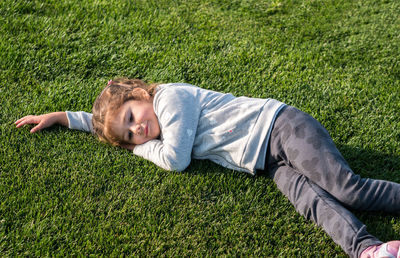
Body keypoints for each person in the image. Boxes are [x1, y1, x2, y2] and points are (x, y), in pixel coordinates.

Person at [15, 78, 400, 258]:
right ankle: (369, 250)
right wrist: (65, 117)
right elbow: (108, 124)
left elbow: (176, 159)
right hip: (266, 161)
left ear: (140, 93)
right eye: (131, 135)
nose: (138, 130)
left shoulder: (170, 99)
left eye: (133, 116)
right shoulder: (144, 116)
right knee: (313, 204)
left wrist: (140, 151)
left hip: (283, 128)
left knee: (348, 188)